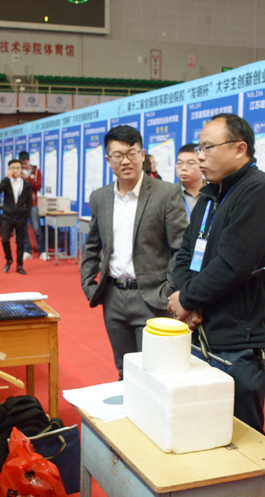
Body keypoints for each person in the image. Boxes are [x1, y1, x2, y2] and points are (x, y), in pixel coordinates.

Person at [167, 114, 265, 434]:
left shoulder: (259, 191)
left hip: (239, 343)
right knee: (199, 431)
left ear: (239, 149)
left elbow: (235, 265)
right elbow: (186, 254)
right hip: (200, 331)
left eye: (207, 148)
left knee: (239, 438)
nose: (200, 157)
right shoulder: (210, 195)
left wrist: (187, 299)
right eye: (199, 148)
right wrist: (188, 299)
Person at [81, 125, 188, 379]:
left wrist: (168, 289)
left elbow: (180, 248)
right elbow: (92, 245)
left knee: (154, 375)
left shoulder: (166, 193)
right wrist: (89, 284)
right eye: (117, 155)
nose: (125, 161)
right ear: (108, 159)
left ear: (143, 154)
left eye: (131, 153)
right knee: (124, 371)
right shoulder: (100, 198)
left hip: (152, 298)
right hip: (112, 297)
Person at [0, 159, 32, 274]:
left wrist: (26, 214)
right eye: (13, 168)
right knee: (5, 239)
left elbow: (29, 201)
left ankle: (20, 265)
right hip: (7, 216)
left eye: (17, 168)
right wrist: (7, 178)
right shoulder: (6, 182)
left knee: (20, 242)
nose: (15, 170)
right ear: (9, 169)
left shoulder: (26, 184)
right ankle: (9, 259)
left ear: (21, 169)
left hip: (21, 216)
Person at [19, 151, 47, 261]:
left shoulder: (36, 172)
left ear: (29, 161)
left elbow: (38, 186)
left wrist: (28, 178)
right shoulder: (18, 172)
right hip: (21, 204)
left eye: (25, 163)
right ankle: (27, 251)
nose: (24, 165)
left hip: (33, 204)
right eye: (22, 164)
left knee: (37, 228)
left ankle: (42, 251)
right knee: (23, 229)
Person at [175, 143, 204, 216]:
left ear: (202, 164)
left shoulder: (213, 193)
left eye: (190, 163)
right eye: (179, 163)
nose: (183, 168)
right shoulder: (169, 195)